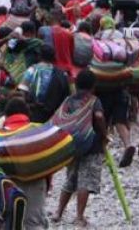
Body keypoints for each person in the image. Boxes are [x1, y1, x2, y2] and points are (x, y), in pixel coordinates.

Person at [51, 69, 108, 227]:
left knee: (70, 179)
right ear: (93, 86)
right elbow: (99, 117)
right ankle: (79, 216)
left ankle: (58, 212)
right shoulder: (93, 100)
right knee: (85, 181)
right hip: (91, 145)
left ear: (76, 84)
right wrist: (104, 135)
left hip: (71, 145)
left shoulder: (69, 100)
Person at [0, 97, 49, 230]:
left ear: (6, 115)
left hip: (8, 183)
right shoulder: (39, 131)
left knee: (9, 221)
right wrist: (47, 183)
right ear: (27, 113)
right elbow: (49, 161)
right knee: (34, 222)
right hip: (36, 181)